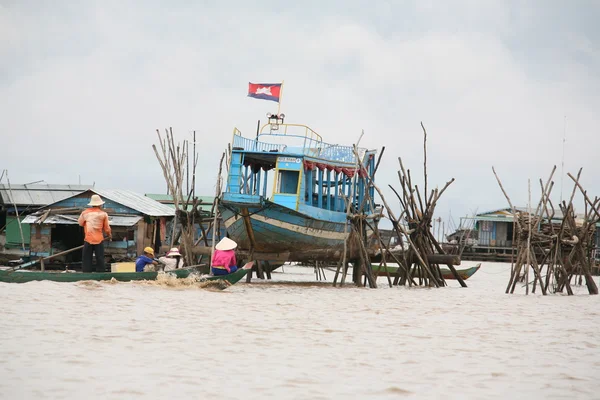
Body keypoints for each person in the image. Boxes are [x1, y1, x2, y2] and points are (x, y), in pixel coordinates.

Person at [78, 194, 112, 273]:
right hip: (99, 239)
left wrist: (86, 224)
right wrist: (109, 235)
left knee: (86, 258)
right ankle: (101, 273)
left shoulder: (85, 213)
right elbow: (106, 228)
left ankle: (86, 273)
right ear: (100, 204)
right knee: (100, 257)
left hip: (88, 239)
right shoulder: (103, 214)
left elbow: (80, 223)